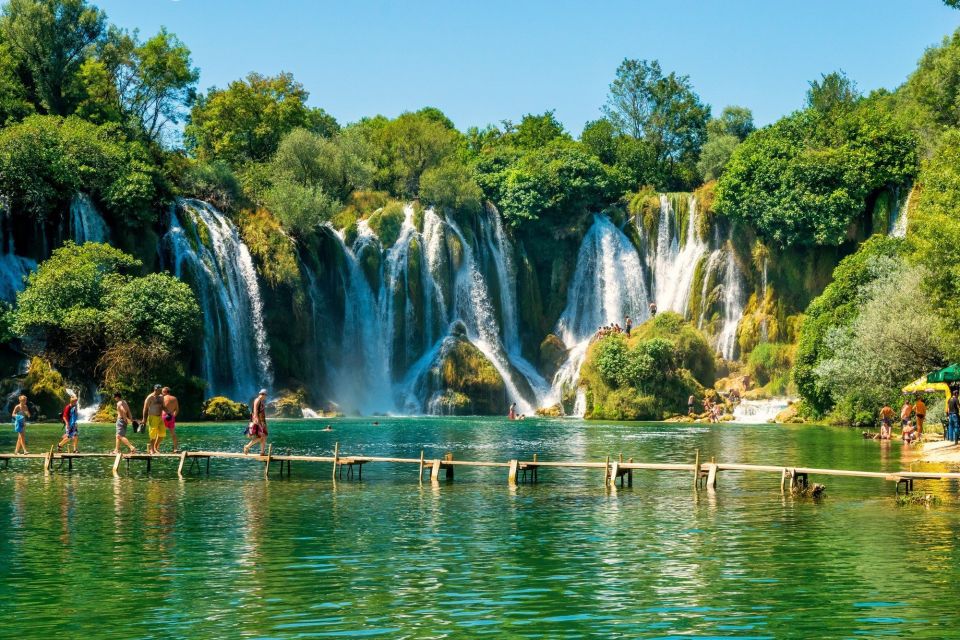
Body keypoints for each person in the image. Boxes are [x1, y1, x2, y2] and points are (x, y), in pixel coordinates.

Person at [244, 389, 268, 455]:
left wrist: (263, 422)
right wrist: (256, 419)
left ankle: (262, 452)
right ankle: (247, 446)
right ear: (263, 394)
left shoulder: (261, 401)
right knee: (261, 436)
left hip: (262, 421)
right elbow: (255, 410)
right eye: (265, 395)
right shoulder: (257, 400)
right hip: (258, 421)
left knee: (264, 436)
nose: (266, 396)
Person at [142, 385, 165, 454]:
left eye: (159, 389)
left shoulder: (161, 397)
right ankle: (152, 449)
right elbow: (145, 409)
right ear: (155, 389)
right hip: (152, 417)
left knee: (162, 434)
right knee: (153, 435)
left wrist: (168, 412)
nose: (158, 391)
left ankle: (155, 447)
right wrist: (144, 419)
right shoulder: (150, 397)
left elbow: (163, 406)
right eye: (157, 389)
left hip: (160, 417)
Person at [161, 387, 180, 453]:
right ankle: (175, 448)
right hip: (171, 416)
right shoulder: (174, 398)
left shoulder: (162, 398)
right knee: (173, 433)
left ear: (166, 392)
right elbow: (177, 409)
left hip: (163, 416)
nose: (162, 393)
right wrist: (173, 416)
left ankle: (156, 448)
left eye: (163, 392)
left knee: (160, 433)